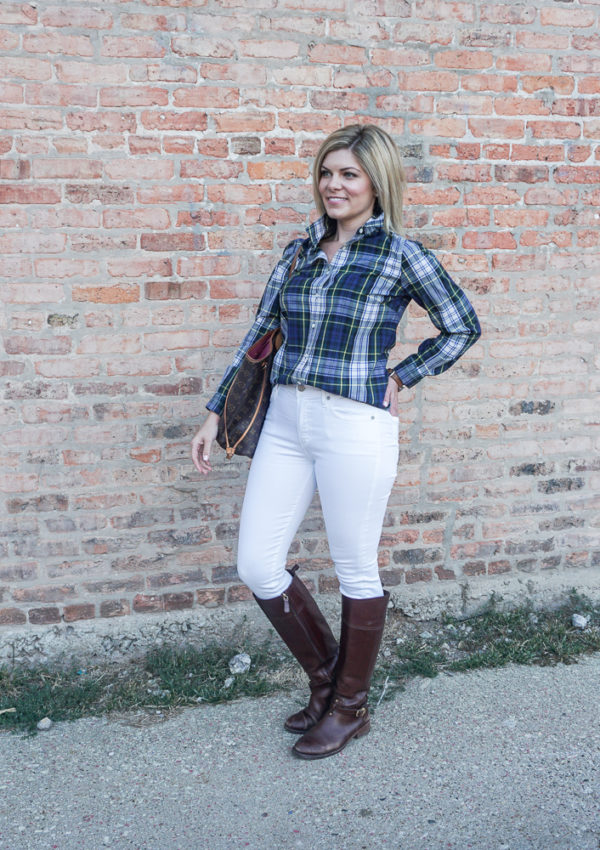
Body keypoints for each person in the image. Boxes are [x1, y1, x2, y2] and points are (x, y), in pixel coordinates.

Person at [192, 124, 481, 760]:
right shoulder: (298, 253)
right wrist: (217, 410)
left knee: (356, 566)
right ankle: (327, 683)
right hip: (289, 422)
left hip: (356, 425)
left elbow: (462, 326)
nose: (334, 185)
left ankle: (350, 708)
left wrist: (404, 374)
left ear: (376, 182)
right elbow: (261, 334)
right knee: (257, 564)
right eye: (327, 173)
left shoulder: (404, 256)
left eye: (348, 174)